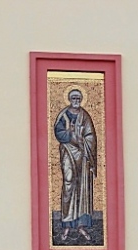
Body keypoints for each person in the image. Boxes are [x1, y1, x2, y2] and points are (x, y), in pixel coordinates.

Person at [54, 89, 97, 241]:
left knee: (82, 186)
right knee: (68, 182)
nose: (76, 100)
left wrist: (84, 142)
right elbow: (58, 132)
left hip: (82, 154)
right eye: (73, 98)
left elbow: (91, 135)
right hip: (68, 151)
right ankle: (67, 223)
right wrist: (72, 136)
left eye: (78, 98)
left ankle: (81, 225)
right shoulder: (64, 115)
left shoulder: (85, 116)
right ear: (69, 99)